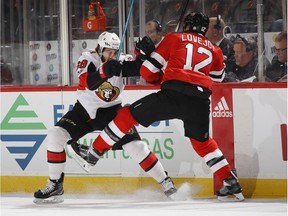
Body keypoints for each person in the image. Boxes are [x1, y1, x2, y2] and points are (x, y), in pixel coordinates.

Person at [72, 12, 245, 202]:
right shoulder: (215, 49)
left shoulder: (173, 37)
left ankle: (93, 154)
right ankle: (230, 181)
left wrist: (148, 55)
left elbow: (147, 72)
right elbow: (217, 78)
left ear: (186, 24)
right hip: (200, 100)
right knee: (202, 143)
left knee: (125, 115)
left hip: (173, 94)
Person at [33, 31, 177, 204]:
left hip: (112, 111)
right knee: (55, 135)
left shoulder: (121, 61)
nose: (113, 55)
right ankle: (55, 185)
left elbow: (145, 72)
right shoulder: (87, 58)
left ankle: (166, 182)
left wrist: (145, 55)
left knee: (136, 147)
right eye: (109, 51)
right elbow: (89, 82)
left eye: (115, 52)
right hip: (84, 111)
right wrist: (104, 71)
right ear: (100, 49)